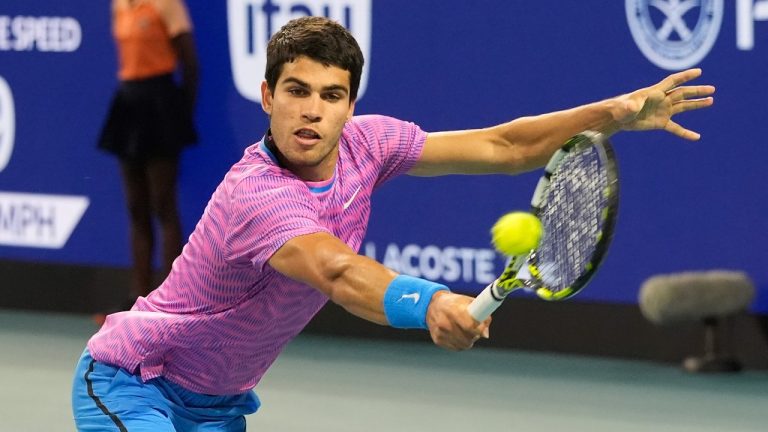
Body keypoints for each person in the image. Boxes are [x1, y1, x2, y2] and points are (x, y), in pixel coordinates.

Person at [72, 16, 715, 431]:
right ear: (268, 97)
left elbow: (505, 146)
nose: (312, 112)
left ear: (351, 105)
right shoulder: (256, 197)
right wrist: (430, 302)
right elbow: (338, 270)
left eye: (331, 96)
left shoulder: (370, 144)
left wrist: (617, 112)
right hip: (135, 381)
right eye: (295, 91)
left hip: (218, 405)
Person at [94, 0, 199, 322]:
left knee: (162, 205)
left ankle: (169, 300)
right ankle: (135, 300)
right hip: (128, 103)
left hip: (160, 105)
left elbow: (191, 63)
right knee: (136, 207)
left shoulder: (167, 5)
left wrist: (180, 115)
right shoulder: (119, 6)